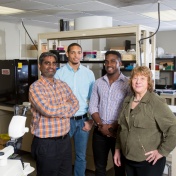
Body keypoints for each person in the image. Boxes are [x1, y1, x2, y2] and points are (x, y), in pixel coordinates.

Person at [114, 66, 176, 176]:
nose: (138, 82)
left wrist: (162, 151)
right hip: (128, 159)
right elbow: (121, 128)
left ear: (149, 82)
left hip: (149, 162)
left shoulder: (156, 102)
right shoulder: (127, 101)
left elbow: (173, 127)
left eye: (142, 78)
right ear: (131, 81)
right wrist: (117, 149)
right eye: (135, 78)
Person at [29, 52, 79, 176]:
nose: (51, 66)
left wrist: (58, 110)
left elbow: (76, 104)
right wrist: (66, 109)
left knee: (66, 173)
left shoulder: (63, 85)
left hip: (64, 141)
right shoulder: (35, 87)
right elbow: (47, 110)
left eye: (54, 63)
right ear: (40, 66)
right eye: (47, 63)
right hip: (46, 144)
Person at [54, 43, 95, 176]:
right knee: (61, 154)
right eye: (73, 52)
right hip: (65, 121)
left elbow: (93, 99)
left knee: (81, 156)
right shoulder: (59, 74)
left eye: (79, 52)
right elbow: (56, 99)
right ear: (67, 54)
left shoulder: (89, 74)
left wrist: (91, 120)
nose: (76, 55)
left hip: (83, 120)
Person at [88, 50, 130, 176]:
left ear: (120, 63)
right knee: (100, 167)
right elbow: (92, 107)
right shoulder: (98, 83)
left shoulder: (128, 84)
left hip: (118, 132)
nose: (109, 64)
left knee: (119, 167)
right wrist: (101, 125)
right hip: (99, 132)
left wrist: (112, 127)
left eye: (113, 61)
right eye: (106, 61)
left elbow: (127, 110)